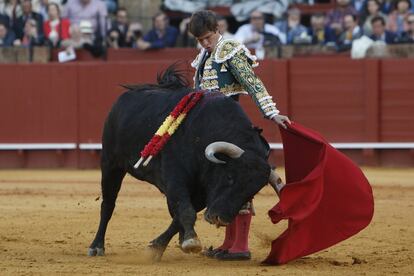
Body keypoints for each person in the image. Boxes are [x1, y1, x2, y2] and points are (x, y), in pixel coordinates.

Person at [188, 10, 290, 261]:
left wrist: (272, 112)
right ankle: (229, 242)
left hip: (231, 128)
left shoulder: (230, 49)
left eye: (207, 37)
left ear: (217, 29)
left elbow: (252, 82)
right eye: (200, 39)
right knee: (223, 186)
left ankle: (240, 246)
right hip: (210, 130)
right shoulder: (203, 55)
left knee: (237, 182)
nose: (204, 43)